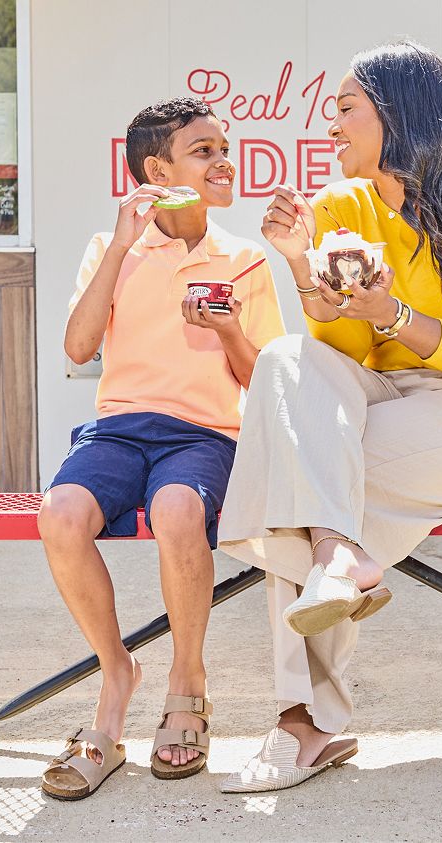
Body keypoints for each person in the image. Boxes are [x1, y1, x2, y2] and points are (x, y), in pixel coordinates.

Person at [216, 42, 442, 793]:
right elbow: (336, 349)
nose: (329, 125)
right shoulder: (339, 205)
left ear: (397, 114)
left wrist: (392, 312)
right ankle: (338, 557)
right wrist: (298, 266)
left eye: (344, 109)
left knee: (301, 477)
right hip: (394, 403)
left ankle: (301, 721)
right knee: (285, 364)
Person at [37, 97, 285, 799]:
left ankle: (186, 680)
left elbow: (260, 378)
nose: (223, 162)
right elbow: (79, 347)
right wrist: (120, 244)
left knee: (177, 510)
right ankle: (117, 675)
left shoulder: (244, 258)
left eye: (222, 148)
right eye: (203, 151)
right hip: (117, 429)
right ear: (158, 169)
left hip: (204, 433)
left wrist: (231, 330)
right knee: (59, 514)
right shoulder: (111, 249)